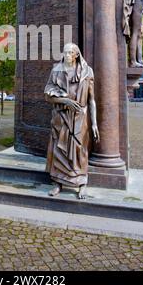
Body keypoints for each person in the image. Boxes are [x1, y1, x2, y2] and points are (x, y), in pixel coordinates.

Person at [44, 43, 99, 199]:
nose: (66, 55)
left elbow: (91, 100)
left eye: (70, 53)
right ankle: (57, 184)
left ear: (76, 55)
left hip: (80, 117)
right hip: (61, 117)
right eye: (65, 52)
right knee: (59, 150)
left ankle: (82, 184)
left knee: (79, 150)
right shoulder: (56, 71)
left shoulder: (87, 72)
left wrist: (94, 123)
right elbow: (47, 96)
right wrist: (64, 101)